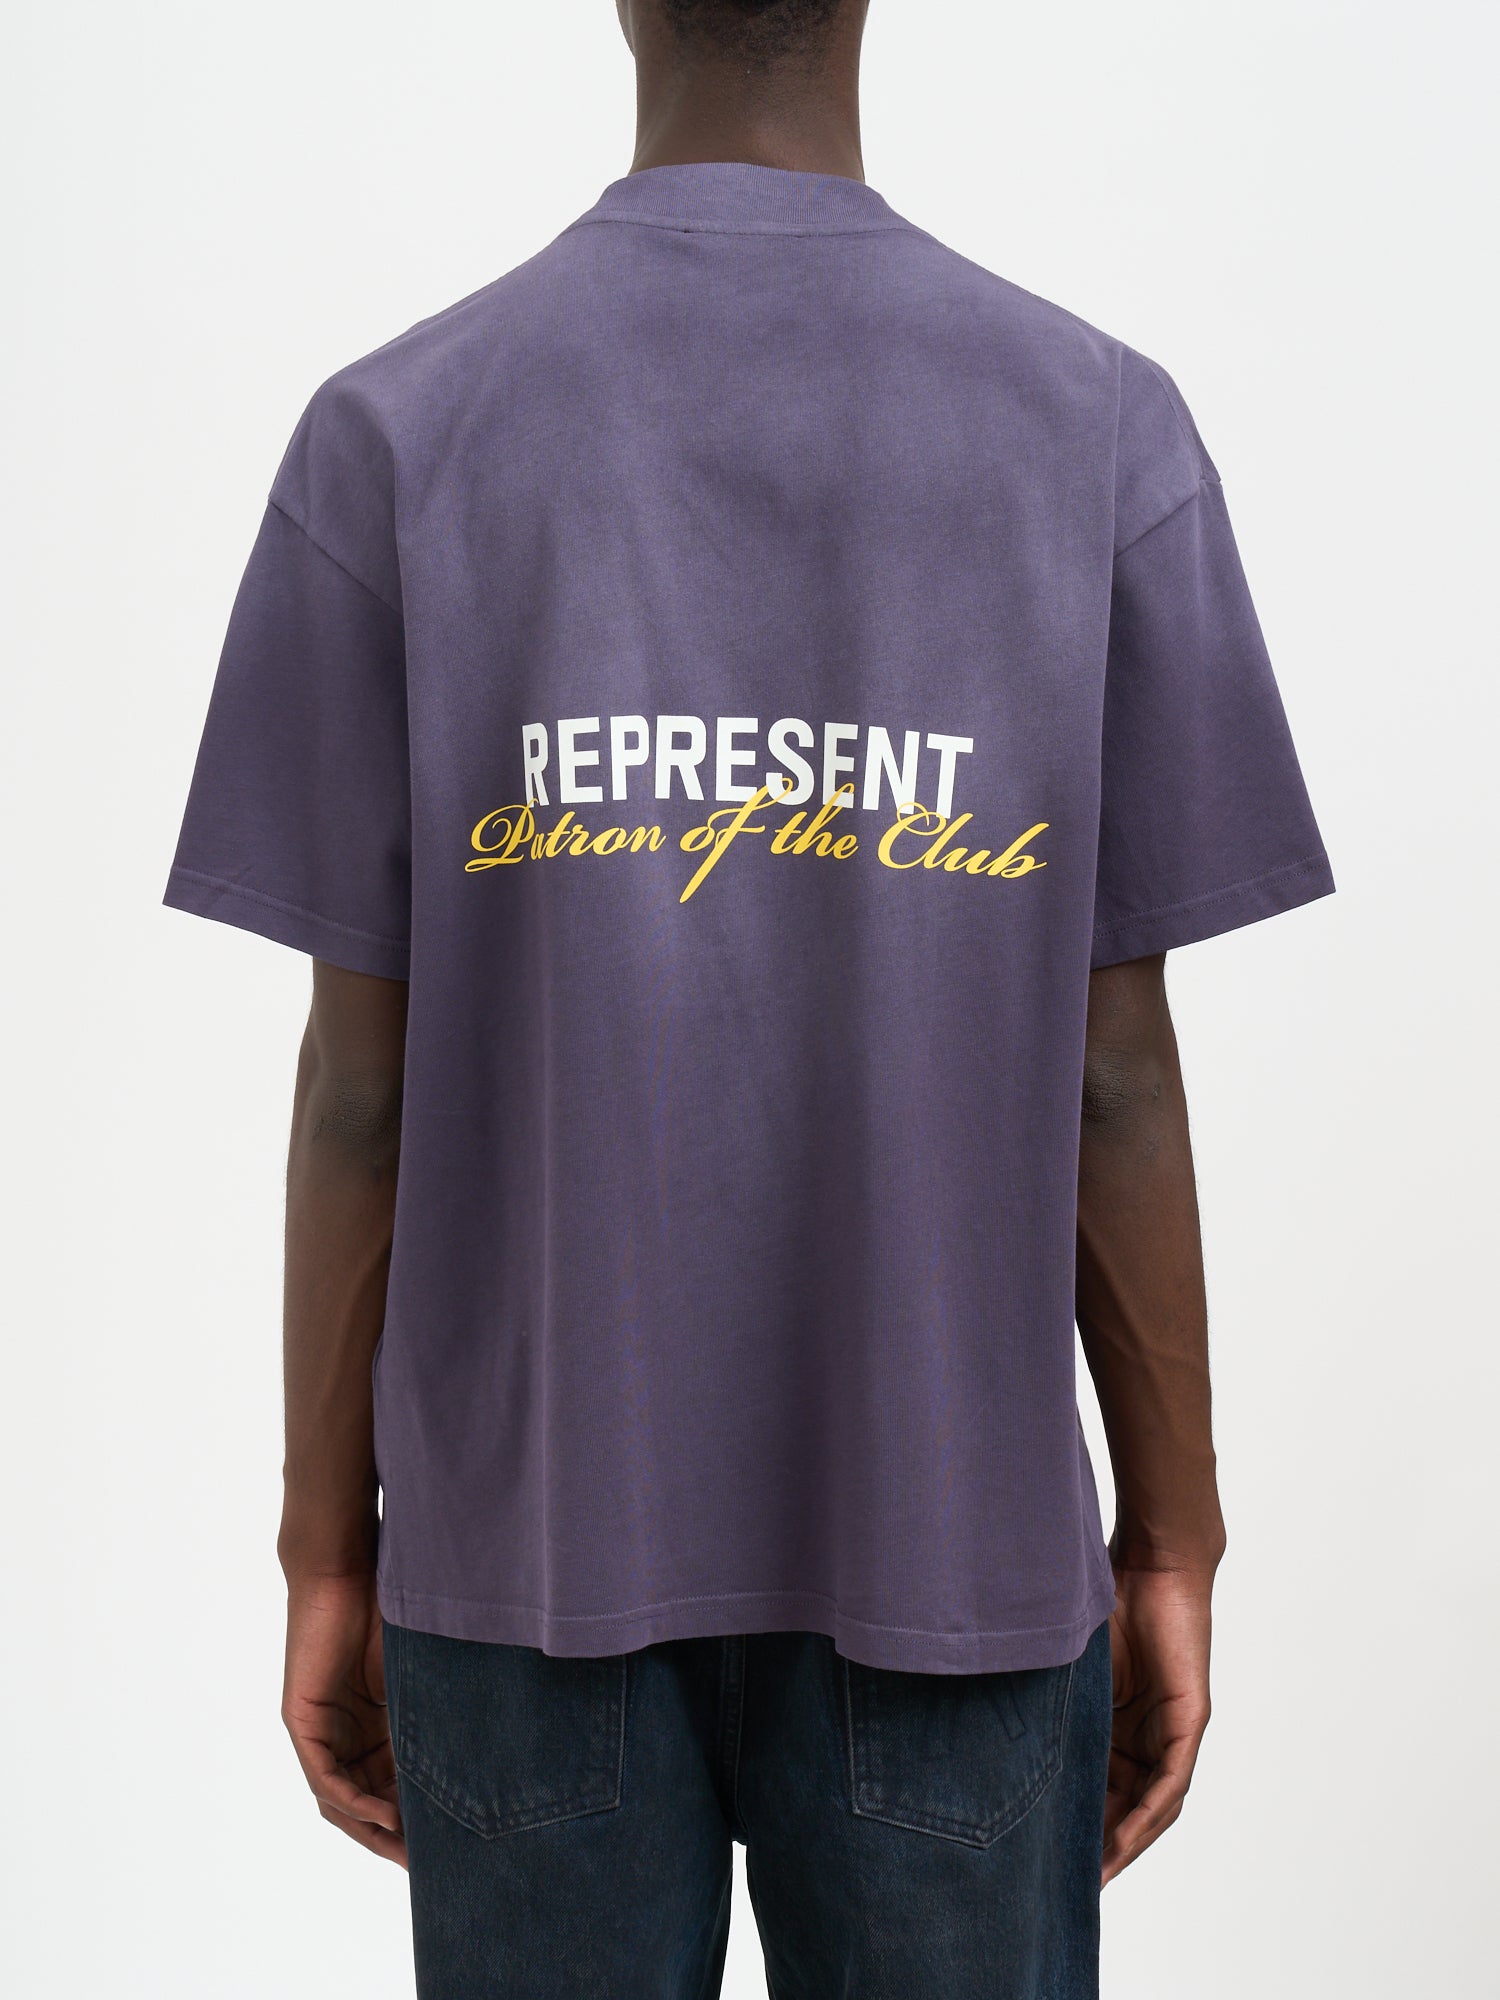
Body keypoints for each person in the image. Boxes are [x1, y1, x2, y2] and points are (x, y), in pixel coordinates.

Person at [163, 1, 1333, 1993]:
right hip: (953, 1558)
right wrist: (1172, 1538)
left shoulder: (400, 435)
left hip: (528, 1562)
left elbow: (362, 1094)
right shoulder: (1094, 427)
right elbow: (1114, 1079)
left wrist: (326, 1546)